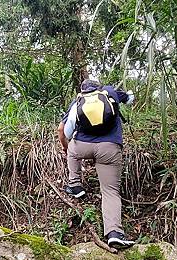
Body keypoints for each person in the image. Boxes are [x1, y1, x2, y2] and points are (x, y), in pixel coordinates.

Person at [57, 79, 136, 249]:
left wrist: (67, 147)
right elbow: (130, 98)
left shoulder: (77, 101)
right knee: (110, 192)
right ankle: (114, 233)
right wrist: (125, 96)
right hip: (109, 148)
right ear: (99, 88)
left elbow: (63, 130)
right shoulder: (109, 92)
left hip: (82, 147)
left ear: (82, 90)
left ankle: (75, 184)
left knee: (72, 148)